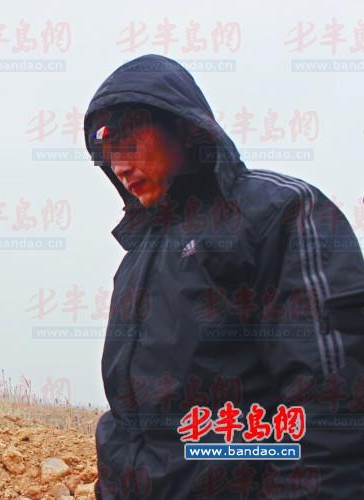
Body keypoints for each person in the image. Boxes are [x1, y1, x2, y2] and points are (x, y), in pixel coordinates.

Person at [83, 54, 364, 499]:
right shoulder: (137, 261)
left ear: (182, 127)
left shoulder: (276, 213)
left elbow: (331, 402)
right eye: (107, 153)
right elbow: (129, 420)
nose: (119, 165)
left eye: (129, 141)